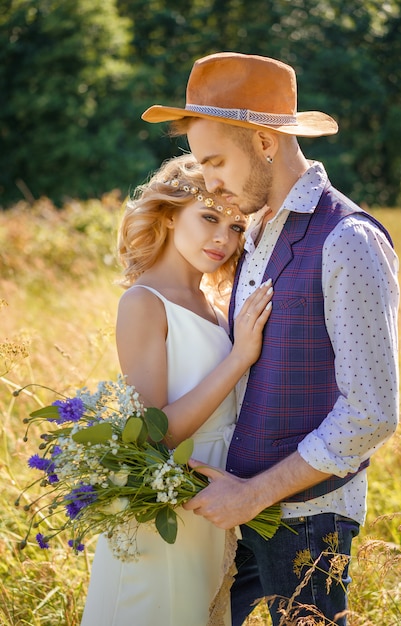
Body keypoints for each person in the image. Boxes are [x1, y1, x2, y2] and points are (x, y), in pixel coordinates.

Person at [141, 52, 400, 625]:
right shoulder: (254, 231)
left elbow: (372, 413)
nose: (207, 183)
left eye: (215, 162)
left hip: (310, 521)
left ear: (263, 143)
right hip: (243, 513)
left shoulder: (348, 240)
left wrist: (253, 494)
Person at [80, 153, 273, 626]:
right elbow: (155, 433)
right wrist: (239, 358)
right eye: (209, 217)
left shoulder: (214, 305)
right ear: (168, 215)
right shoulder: (143, 302)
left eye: (235, 228)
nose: (222, 239)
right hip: (169, 503)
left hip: (214, 498)